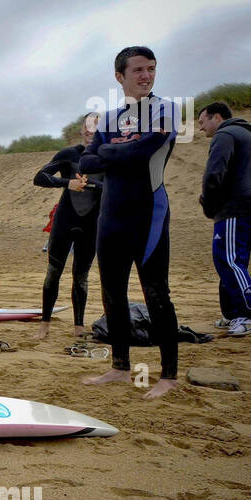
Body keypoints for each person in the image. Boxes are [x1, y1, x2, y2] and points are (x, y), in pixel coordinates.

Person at [78, 46, 180, 399]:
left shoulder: (165, 109)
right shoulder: (107, 118)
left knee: (156, 294)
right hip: (112, 217)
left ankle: (168, 375)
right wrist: (115, 152)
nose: (146, 75)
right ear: (119, 76)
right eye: (137, 70)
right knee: (112, 294)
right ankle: (120, 366)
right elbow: (86, 164)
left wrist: (108, 152)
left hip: (148, 213)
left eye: (151, 68)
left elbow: (141, 153)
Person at [198, 101, 251, 336]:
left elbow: (214, 172)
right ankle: (232, 313)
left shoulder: (225, 134)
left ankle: (248, 315)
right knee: (234, 260)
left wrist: (208, 204)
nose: (200, 128)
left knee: (228, 260)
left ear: (216, 117)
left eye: (202, 122)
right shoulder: (248, 136)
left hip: (235, 210)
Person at [33, 112, 103, 339]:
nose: (90, 130)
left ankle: (79, 326)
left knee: (81, 276)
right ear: (82, 129)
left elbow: (117, 186)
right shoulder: (69, 154)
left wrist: (91, 183)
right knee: (53, 272)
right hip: (65, 219)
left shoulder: (108, 155)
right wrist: (68, 183)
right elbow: (40, 177)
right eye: (87, 126)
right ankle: (44, 324)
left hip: (91, 223)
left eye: (95, 126)